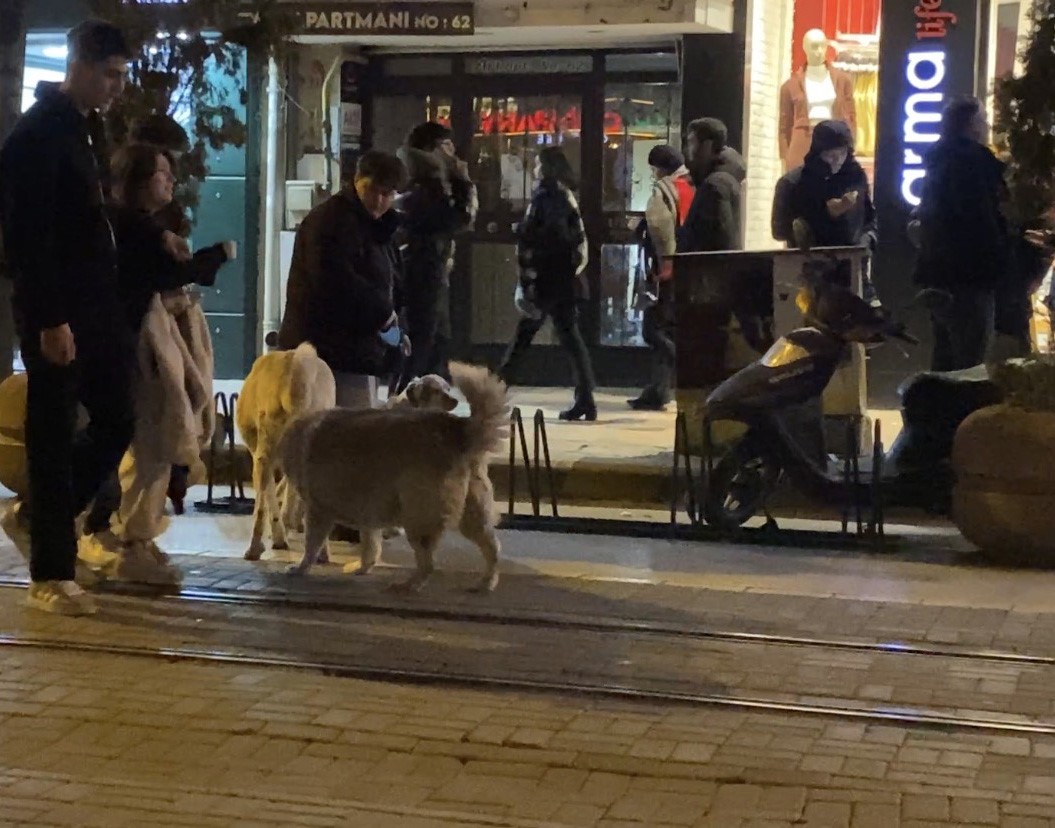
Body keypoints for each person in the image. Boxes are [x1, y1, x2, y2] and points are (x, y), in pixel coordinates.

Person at [0, 20, 189, 615]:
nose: (115, 87)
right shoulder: (37, 136)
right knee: (52, 434)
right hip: (58, 312)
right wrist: (50, 317)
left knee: (116, 416)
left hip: (94, 308)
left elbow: (90, 218)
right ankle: (51, 571)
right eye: (109, 74)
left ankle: (41, 517)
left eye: (121, 75)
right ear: (78, 65)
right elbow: (27, 234)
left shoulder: (85, 128)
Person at [78, 143, 232, 586]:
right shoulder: (128, 227)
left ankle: (130, 536)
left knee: (150, 441)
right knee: (144, 440)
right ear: (140, 180)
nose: (169, 180)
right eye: (162, 173)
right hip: (132, 348)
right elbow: (162, 275)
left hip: (142, 345)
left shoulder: (146, 227)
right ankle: (109, 533)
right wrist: (216, 255)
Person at [278, 149, 408, 410]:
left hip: (357, 349)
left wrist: (394, 324)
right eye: (374, 191)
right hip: (326, 352)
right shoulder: (331, 222)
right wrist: (383, 314)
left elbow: (389, 280)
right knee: (339, 432)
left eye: (388, 194)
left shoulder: (377, 228)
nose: (380, 201)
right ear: (357, 181)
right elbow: (335, 282)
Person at [499, 147, 597, 422]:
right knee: (569, 337)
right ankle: (586, 397)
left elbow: (552, 235)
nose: (535, 170)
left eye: (539, 164)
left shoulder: (549, 195)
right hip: (562, 278)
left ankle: (494, 396)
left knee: (523, 337)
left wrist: (523, 231)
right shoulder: (563, 194)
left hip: (548, 279)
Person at [913, 95, 1010, 371]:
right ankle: (964, 413)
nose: (987, 125)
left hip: (938, 275)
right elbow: (980, 221)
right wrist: (1001, 262)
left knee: (944, 359)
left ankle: (939, 413)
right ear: (971, 125)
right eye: (984, 119)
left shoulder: (939, 162)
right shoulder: (973, 163)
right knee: (971, 363)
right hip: (970, 277)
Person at [396, 122, 477, 390]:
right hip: (422, 269)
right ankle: (405, 404)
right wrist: (462, 180)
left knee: (436, 342)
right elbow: (458, 219)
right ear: (432, 149)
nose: (454, 152)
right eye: (447, 146)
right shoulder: (424, 183)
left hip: (430, 267)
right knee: (424, 342)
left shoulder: (425, 180)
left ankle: (426, 405)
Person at [628, 145, 694, 411]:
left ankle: (684, 368)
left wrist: (666, 261)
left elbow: (658, 224)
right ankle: (658, 390)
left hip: (668, 267)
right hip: (690, 266)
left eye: (654, 168)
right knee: (668, 327)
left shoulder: (663, 189)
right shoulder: (691, 185)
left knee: (653, 328)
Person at [679, 118, 747, 253]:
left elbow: (722, 243)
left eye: (692, 143)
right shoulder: (721, 178)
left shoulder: (715, 184)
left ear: (707, 145)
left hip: (707, 271)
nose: (688, 150)